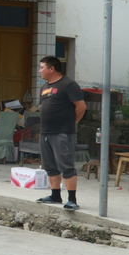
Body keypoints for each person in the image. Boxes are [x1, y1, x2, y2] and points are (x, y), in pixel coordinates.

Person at [36, 56, 86, 210]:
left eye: (42, 67)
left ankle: (72, 200)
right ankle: (55, 195)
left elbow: (81, 106)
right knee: (50, 166)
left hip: (63, 132)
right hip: (45, 132)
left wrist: (72, 123)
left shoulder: (68, 84)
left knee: (66, 166)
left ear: (52, 69)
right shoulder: (44, 87)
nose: (40, 71)